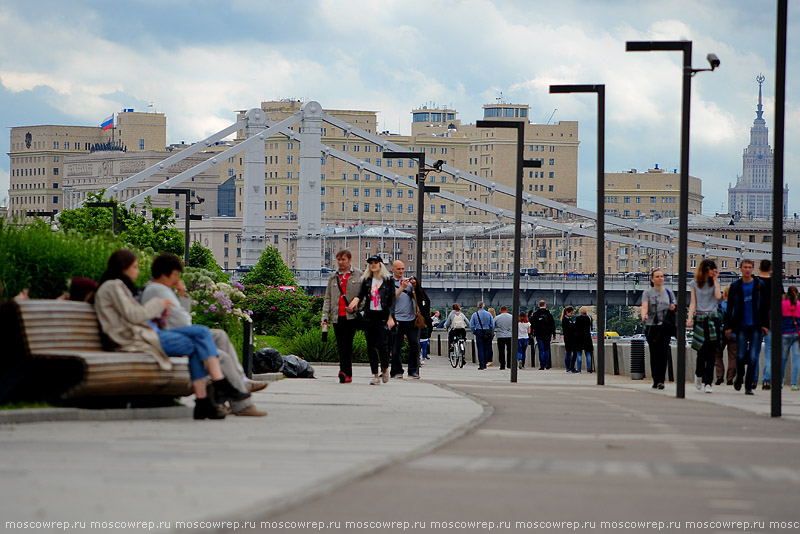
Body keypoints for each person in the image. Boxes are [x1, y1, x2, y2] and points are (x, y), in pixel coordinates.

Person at [93, 249, 248, 420]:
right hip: (133, 338)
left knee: (200, 342)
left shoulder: (119, 286)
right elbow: (134, 315)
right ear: (123, 267)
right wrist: (157, 304)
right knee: (202, 334)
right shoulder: (114, 285)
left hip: (143, 334)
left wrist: (180, 296)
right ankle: (220, 386)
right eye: (135, 267)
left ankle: (205, 401)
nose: (137, 271)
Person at [141, 253, 267, 417]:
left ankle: (240, 381)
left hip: (175, 331)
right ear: (166, 274)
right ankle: (241, 403)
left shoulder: (160, 288)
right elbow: (184, 321)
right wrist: (184, 314)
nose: (176, 279)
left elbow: (182, 316)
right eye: (175, 275)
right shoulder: (158, 289)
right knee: (219, 355)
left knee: (219, 335)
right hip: (169, 335)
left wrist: (183, 295)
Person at [347, 255, 395, 385]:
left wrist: (390, 316)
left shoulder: (388, 280)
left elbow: (391, 300)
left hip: (382, 315)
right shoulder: (367, 280)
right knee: (371, 346)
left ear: (380, 264)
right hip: (370, 315)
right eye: (371, 263)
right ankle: (375, 374)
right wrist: (356, 299)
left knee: (382, 345)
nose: (373, 265)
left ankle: (385, 368)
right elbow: (361, 294)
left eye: (375, 263)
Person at [724, 259, 769, 396]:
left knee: (754, 357)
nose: (747, 270)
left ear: (753, 269)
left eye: (750, 267)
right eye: (745, 267)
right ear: (741, 269)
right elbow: (730, 307)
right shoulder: (735, 286)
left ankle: (748, 386)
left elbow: (764, 307)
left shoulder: (759, 285)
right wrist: (728, 327)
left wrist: (766, 325)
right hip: (741, 325)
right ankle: (739, 376)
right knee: (741, 355)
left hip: (756, 325)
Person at [322, 249, 363, 384]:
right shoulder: (333, 277)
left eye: (343, 259)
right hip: (336, 316)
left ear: (349, 260)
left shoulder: (359, 275)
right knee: (341, 345)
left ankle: (345, 372)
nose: (340, 262)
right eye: (338, 260)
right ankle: (344, 372)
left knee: (347, 344)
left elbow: (364, 296)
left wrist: (356, 307)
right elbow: (328, 298)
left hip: (351, 317)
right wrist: (324, 317)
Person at [687, 260, 723, 393]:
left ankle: (708, 382)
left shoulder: (715, 284)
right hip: (700, 319)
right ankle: (699, 374)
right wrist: (690, 317)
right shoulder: (694, 284)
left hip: (713, 319)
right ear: (704, 269)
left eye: (715, 269)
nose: (713, 271)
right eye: (711, 269)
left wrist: (715, 281)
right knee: (701, 351)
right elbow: (693, 303)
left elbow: (719, 298)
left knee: (712, 352)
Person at [641, 269, 676, 390]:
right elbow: (644, 306)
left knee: (664, 353)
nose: (660, 278)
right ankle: (656, 379)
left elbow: (674, 305)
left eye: (661, 276)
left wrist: (673, 307)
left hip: (665, 326)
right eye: (657, 276)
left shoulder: (668, 292)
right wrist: (644, 315)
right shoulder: (647, 293)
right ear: (652, 279)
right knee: (654, 353)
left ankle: (661, 380)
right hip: (652, 326)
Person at [389, 260, 421, 379]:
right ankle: (397, 370)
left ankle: (413, 370)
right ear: (393, 270)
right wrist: (401, 288)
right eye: (398, 269)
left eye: (402, 269)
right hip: (397, 319)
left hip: (411, 319)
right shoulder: (390, 283)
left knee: (415, 344)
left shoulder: (409, 282)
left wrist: (414, 287)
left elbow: (418, 297)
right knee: (396, 347)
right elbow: (391, 299)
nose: (401, 271)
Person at [758, 259, 784, 390]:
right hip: (771, 318)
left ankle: (752, 379)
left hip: (757, 319)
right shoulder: (776, 282)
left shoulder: (756, 282)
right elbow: (782, 300)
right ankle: (766, 380)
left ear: (758, 267)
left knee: (755, 351)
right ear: (771, 269)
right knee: (769, 351)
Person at [715, 286, 738, 386]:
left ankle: (719, 376)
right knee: (732, 357)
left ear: (724, 295)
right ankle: (730, 378)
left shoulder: (719, 307)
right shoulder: (737, 307)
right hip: (734, 334)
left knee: (718, 355)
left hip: (721, 334)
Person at [780, 286, 800, 391]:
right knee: (796, 359)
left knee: (783, 359)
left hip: (785, 334)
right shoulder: (799, 306)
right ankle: (793, 384)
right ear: (797, 294)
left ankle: (781, 381)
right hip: (796, 334)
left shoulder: (783, 305)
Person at [530, 300, 556, 370]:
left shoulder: (536, 314)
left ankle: (542, 365)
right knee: (547, 349)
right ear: (545, 305)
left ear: (539, 305)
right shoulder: (549, 313)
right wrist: (554, 334)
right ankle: (547, 364)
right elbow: (552, 324)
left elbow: (533, 325)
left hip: (539, 333)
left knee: (541, 349)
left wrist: (532, 333)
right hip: (547, 333)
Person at [469, 301, 494, 370]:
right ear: (483, 306)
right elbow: (492, 324)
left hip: (479, 331)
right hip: (487, 332)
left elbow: (471, 325)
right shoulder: (488, 314)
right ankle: (485, 363)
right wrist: (491, 332)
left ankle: (481, 364)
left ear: (478, 306)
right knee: (486, 348)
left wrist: (474, 332)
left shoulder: (475, 314)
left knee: (480, 348)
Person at [415, 282, 433, 365]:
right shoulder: (426, 314)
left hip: (419, 333)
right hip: (425, 335)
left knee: (417, 346)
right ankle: (423, 358)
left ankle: (418, 358)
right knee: (424, 347)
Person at [574, 306, 594, 373]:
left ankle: (579, 370)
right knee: (588, 354)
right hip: (587, 337)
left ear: (580, 311)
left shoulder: (578, 318)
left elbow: (575, 328)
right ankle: (589, 369)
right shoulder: (589, 318)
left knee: (579, 354)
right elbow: (591, 328)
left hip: (579, 338)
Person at [494, 305, 513, 370]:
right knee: (509, 350)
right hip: (509, 336)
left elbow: (493, 326)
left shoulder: (497, 317)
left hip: (500, 336)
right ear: (506, 310)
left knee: (501, 351)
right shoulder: (511, 317)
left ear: (500, 310)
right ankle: (509, 364)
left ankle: (502, 365)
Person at [561, 306, 577, 372]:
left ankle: (570, 367)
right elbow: (568, 329)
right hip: (568, 339)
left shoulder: (570, 319)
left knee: (570, 353)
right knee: (568, 353)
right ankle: (568, 367)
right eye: (571, 313)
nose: (572, 314)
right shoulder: (565, 320)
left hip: (571, 338)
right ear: (567, 312)